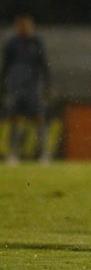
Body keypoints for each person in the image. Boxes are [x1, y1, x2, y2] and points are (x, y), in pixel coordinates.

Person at [1, 14, 51, 165]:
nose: (24, 28)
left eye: (27, 25)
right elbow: (5, 66)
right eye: (21, 25)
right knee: (14, 120)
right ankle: (13, 154)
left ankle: (43, 154)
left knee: (39, 120)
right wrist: (3, 86)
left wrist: (47, 85)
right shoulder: (12, 44)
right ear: (17, 26)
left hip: (32, 89)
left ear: (31, 26)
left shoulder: (36, 43)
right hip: (15, 88)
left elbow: (44, 66)